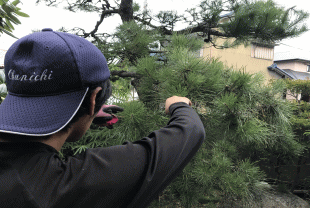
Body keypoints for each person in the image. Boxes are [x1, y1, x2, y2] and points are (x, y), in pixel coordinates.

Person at [0, 28, 205, 208]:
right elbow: (189, 132)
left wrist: (82, 113)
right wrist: (179, 105)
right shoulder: (62, 188)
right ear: (94, 98)